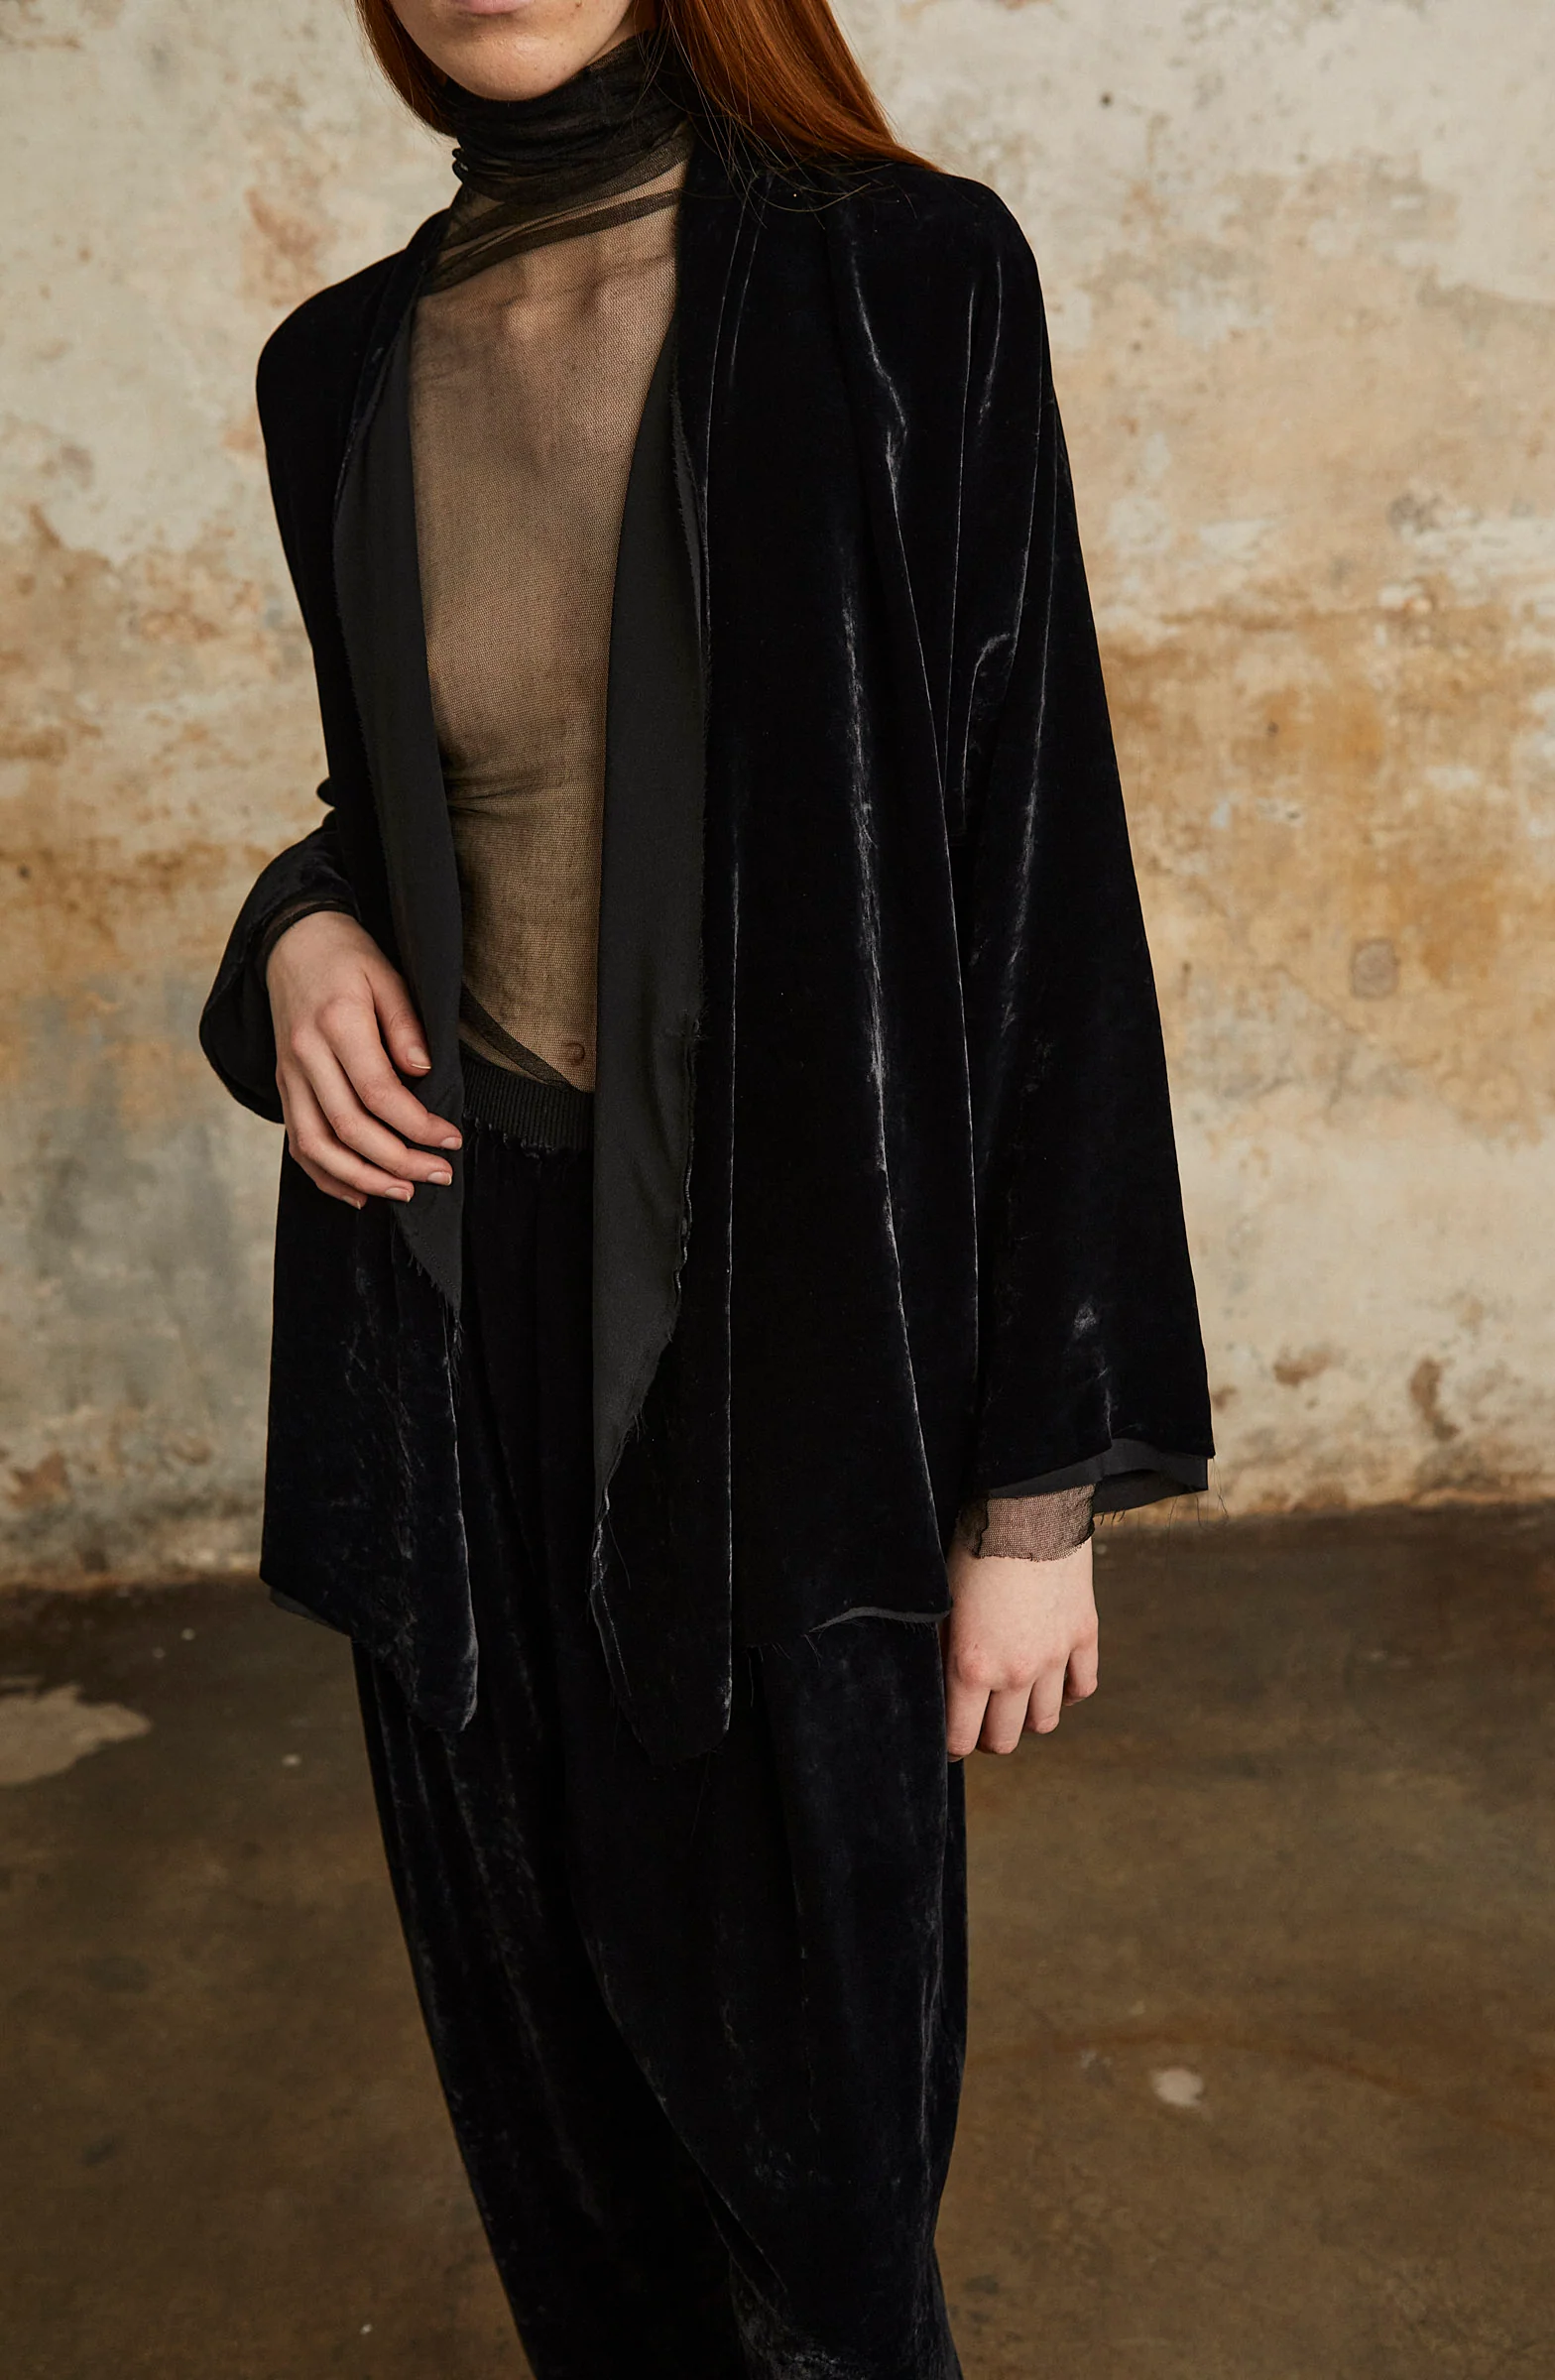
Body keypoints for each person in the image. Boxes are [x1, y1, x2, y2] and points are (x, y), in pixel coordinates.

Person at [199, 1, 1213, 2371]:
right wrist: (292, 932)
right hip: (445, 1344)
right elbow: (402, 818)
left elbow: (1033, 868)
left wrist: (1033, 1494)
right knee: (564, 2159)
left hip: (799, 1350)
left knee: (820, 2232)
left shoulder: (903, 281)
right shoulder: (336, 370)